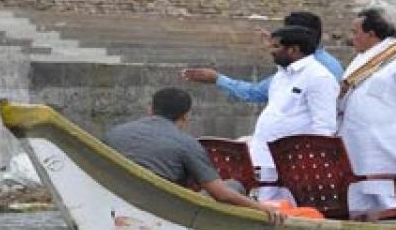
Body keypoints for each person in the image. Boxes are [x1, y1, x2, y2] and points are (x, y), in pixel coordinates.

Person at [104, 87, 276, 215]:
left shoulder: (115, 133)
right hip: (161, 209)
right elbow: (221, 194)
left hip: (114, 199)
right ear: (186, 116)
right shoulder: (186, 143)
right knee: (233, 185)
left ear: (150, 110)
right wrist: (262, 209)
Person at [338, 8, 396, 220]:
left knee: (395, 202)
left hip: (389, 148)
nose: (352, 38)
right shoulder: (359, 62)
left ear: (371, 34)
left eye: (355, 33)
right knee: (360, 205)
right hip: (359, 149)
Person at [248, 26, 340, 200]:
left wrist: (310, 166)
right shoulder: (280, 76)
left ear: (294, 50)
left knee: (286, 210)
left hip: (292, 163)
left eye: (276, 47)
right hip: (263, 158)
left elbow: (324, 128)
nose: (271, 51)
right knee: (263, 207)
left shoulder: (319, 77)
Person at [181, 11, 343, 102]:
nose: (272, 50)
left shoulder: (320, 72)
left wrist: (217, 79)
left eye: (280, 43)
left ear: (295, 46)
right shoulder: (321, 63)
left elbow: (256, 92)